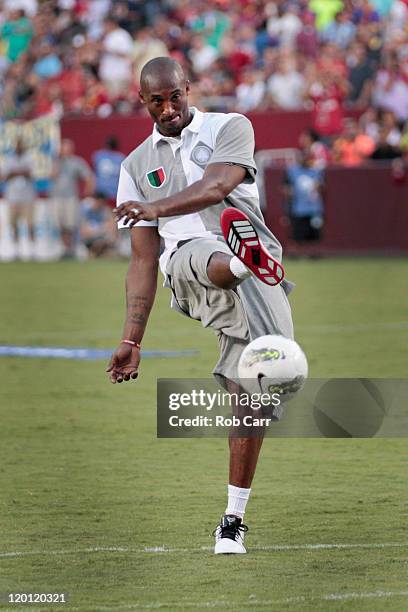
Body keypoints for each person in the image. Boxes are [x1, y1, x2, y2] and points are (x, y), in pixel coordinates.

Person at [108, 57, 294, 555]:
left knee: (264, 385)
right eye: (157, 100)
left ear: (187, 89)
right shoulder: (133, 168)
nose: (169, 108)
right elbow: (144, 262)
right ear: (142, 101)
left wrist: (155, 208)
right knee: (196, 251)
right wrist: (131, 338)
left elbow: (217, 187)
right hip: (188, 270)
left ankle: (232, 520)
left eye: (175, 96)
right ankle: (237, 262)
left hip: (257, 261)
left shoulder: (231, 126)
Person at [51, 139, 95, 258]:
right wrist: (58, 161)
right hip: (57, 197)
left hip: (70, 197)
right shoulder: (56, 162)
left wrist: (87, 193)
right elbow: (52, 176)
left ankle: (70, 249)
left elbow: (88, 176)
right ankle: (64, 249)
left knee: (70, 225)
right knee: (60, 225)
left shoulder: (76, 162)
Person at [2, 138, 37, 254]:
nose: (19, 147)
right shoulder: (9, 158)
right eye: (17, 145)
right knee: (13, 224)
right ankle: (16, 249)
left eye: (21, 145)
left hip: (27, 197)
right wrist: (19, 172)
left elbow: (30, 173)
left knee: (30, 224)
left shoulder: (29, 157)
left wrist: (15, 172)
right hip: (13, 197)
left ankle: (32, 249)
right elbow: (5, 176)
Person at [283, 147, 324, 243]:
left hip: (314, 208)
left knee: (314, 235)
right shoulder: (292, 171)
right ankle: (298, 252)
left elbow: (322, 187)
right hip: (298, 208)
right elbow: (286, 188)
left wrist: (318, 187)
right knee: (298, 235)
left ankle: (313, 253)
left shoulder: (316, 171)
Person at [79, 193, 117, 257]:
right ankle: (96, 253)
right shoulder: (86, 211)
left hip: (101, 238)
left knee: (110, 236)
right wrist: (101, 229)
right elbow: (84, 231)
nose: (101, 205)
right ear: (95, 201)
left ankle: (98, 253)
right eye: (100, 202)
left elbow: (112, 225)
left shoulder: (105, 210)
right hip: (91, 239)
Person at [92, 136, 125, 207]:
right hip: (113, 190)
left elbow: (94, 172)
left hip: (101, 189)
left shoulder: (98, 155)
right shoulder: (120, 157)